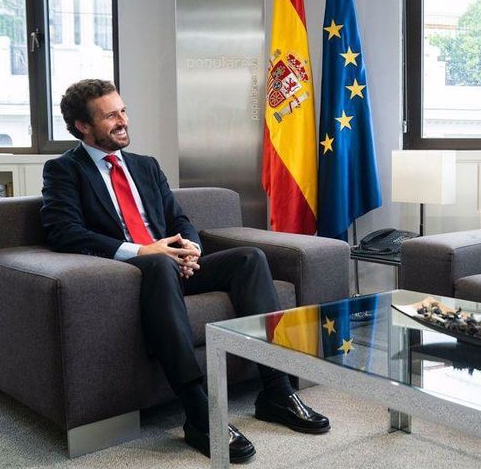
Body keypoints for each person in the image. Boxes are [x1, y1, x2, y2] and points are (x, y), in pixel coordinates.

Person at [40, 79, 330, 463]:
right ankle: (198, 410)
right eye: (110, 116)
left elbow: (178, 217)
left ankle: (276, 389)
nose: (122, 120)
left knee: (249, 258)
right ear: (82, 126)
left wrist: (191, 245)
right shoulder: (64, 170)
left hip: (171, 262)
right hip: (129, 273)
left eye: (123, 110)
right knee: (159, 263)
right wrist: (144, 249)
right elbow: (65, 232)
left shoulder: (145, 166)